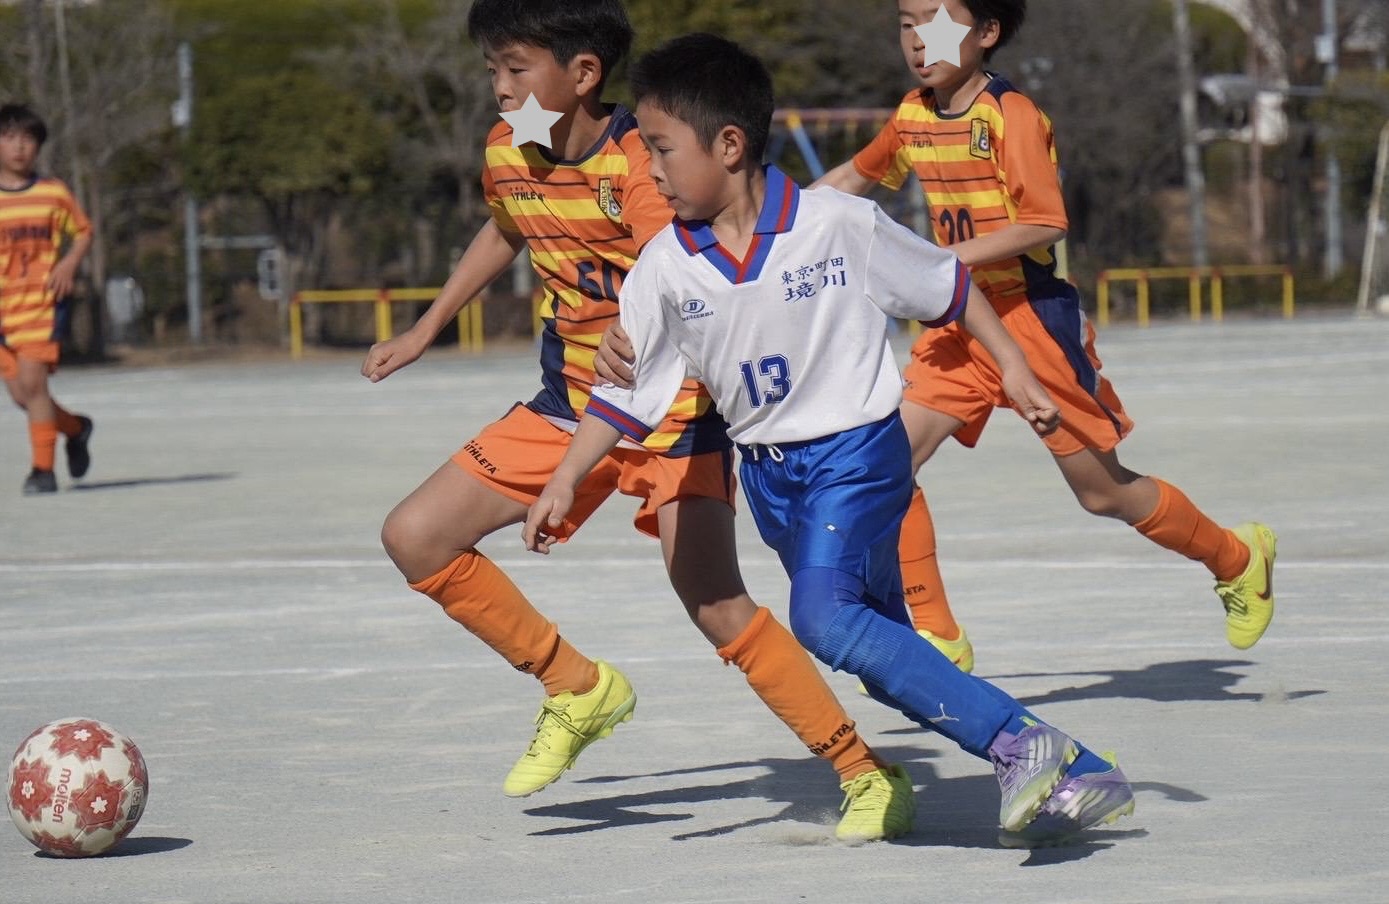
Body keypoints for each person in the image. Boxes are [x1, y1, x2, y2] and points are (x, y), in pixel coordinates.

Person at [524, 32, 1136, 847]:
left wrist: (1015, 366)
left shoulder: (837, 223)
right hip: (769, 480)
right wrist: (567, 476)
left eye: (662, 150)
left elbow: (947, 286)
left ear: (729, 145)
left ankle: (1023, 747)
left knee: (822, 619)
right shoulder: (665, 266)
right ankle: (1081, 770)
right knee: (880, 654)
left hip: (856, 455)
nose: (651, 170)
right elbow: (626, 394)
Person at [361, 0, 913, 842]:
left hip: (675, 413)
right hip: (568, 403)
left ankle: (863, 772)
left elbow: (685, 269)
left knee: (715, 604)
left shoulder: (642, 168)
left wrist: (650, 337)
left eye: (515, 68)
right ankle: (575, 687)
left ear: (583, 73)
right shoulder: (506, 151)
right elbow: (505, 229)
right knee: (415, 535)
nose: (499, 87)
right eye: (492, 70)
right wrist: (428, 325)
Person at [599, 0, 1275, 671]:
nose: (919, 40)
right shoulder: (911, 115)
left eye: (937, 23)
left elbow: (1044, 223)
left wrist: (932, 263)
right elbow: (846, 185)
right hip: (955, 326)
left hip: (1028, 317)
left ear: (986, 32)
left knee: (1102, 492)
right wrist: (775, 227)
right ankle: (937, 631)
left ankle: (1236, 556)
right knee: (885, 462)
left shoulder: (1010, 115)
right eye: (907, 23)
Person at [0, 103, 95, 495]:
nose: (19, 147)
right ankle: (75, 428)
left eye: (28, 139)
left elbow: (84, 230)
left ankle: (43, 471)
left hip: (42, 303)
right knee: (23, 395)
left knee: (33, 383)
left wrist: (70, 262)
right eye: (9, 138)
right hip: (4, 309)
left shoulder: (53, 192)